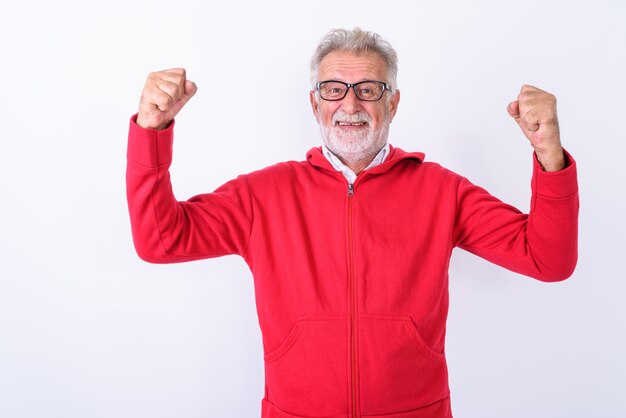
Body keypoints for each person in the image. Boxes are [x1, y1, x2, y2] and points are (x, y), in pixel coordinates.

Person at [126, 28, 578, 418]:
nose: (350, 104)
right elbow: (160, 241)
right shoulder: (261, 195)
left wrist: (549, 155)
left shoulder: (444, 191)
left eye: (368, 88)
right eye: (333, 89)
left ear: (393, 102)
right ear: (314, 103)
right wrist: (150, 130)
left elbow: (548, 259)